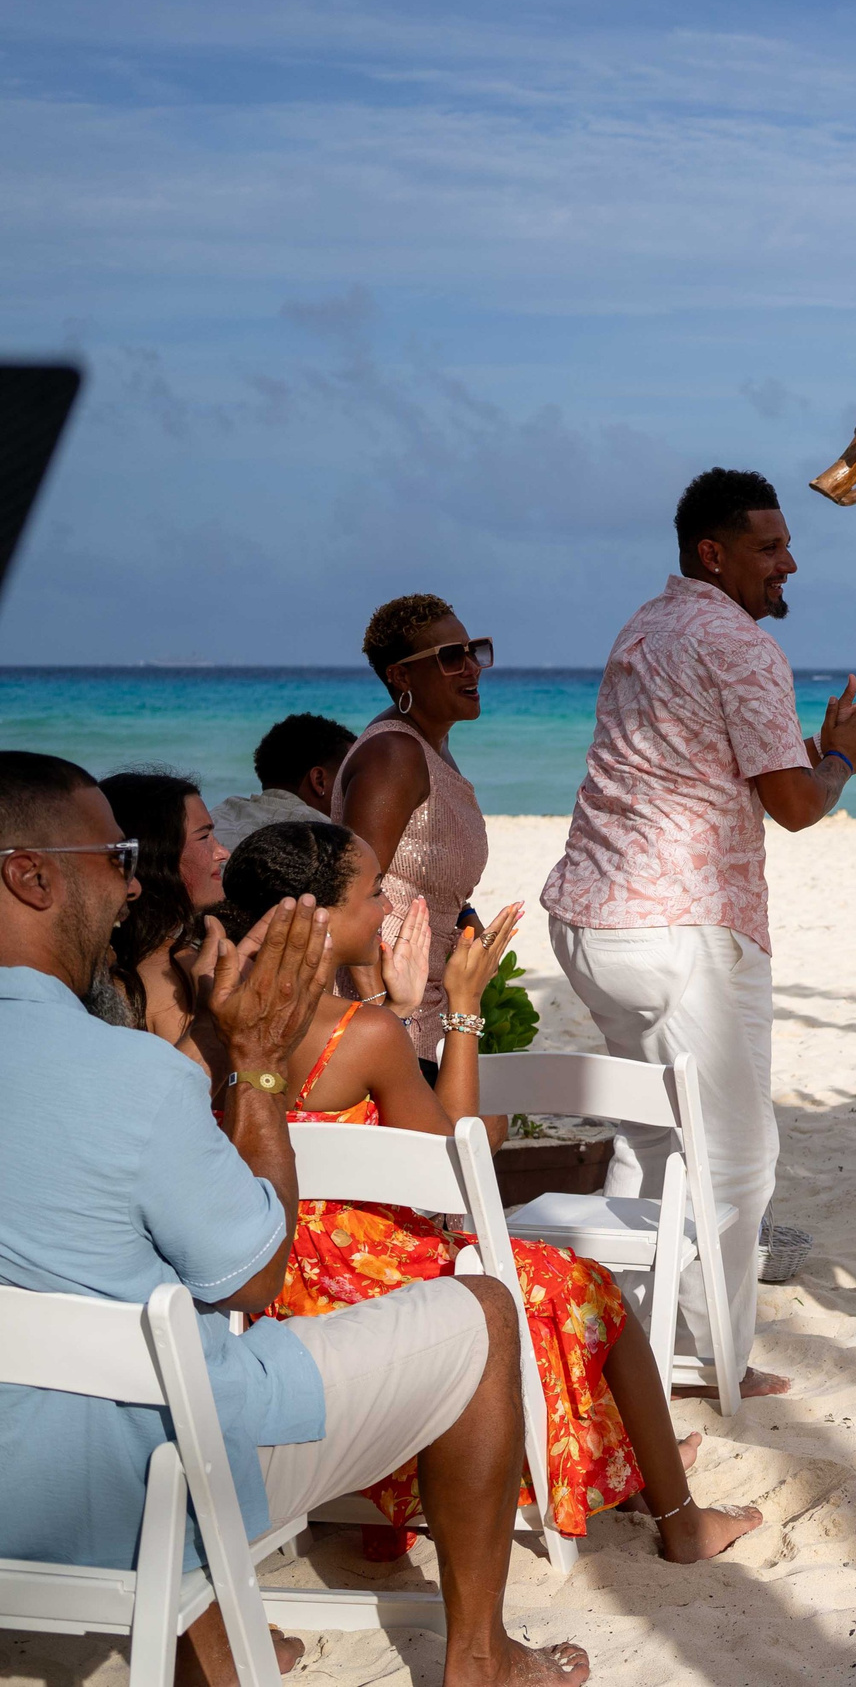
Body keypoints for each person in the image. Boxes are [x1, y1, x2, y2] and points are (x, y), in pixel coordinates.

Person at [0, 751, 591, 1687]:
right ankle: (481, 1656)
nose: (129, 883)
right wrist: (262, 1072)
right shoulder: (131, 1073)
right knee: (482, 1309)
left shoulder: (147, 1047)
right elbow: (253, 1273)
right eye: (115, 855)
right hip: (138, 1481)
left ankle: (222, 1642)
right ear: (29, 875)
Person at [211, 821, 760, 1565]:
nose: (383, 907)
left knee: (552, 1286)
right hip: (378, 1283)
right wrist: (460, 1007)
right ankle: (681, 1520)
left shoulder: (212, 1023)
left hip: (274, 1287)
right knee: (596, 1292)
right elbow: (454, 1171)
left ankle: (628, 1470)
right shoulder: (359, 1034)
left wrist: (396, 1010)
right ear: (317, 918)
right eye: (371, 892)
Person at [544, 467, 856, 1402]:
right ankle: (713, 1362)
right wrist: (841, 757)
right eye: (769, 548)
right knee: (739, 1157)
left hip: (590, 919)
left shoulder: (645, 625)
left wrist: (815, 754)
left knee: (650, 1139)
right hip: (682, 930)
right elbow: (792, 804)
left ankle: (628, 1341)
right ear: (714, 554)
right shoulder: (737, 642)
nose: (789, 564)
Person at [338, 595, 493, 1073]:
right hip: (393, 1010)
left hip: (429, 1003)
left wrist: (464, 916)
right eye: (450, 658)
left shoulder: (428, 747)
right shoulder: (394, 755)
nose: (471, 668)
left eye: (474, 651)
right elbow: (347, 892)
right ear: (401, 677)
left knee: (485, 1128)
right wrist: (386, 1022)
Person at [96, 769, 227, 1041]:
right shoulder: (177, 979)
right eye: (204, 838)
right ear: (155, 854)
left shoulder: (100, 966)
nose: (222, 853)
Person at [210, 713, 355, 851]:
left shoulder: (213, 820)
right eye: (352, 778)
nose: (360, 790)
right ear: (319, 781)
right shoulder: (330, 842)